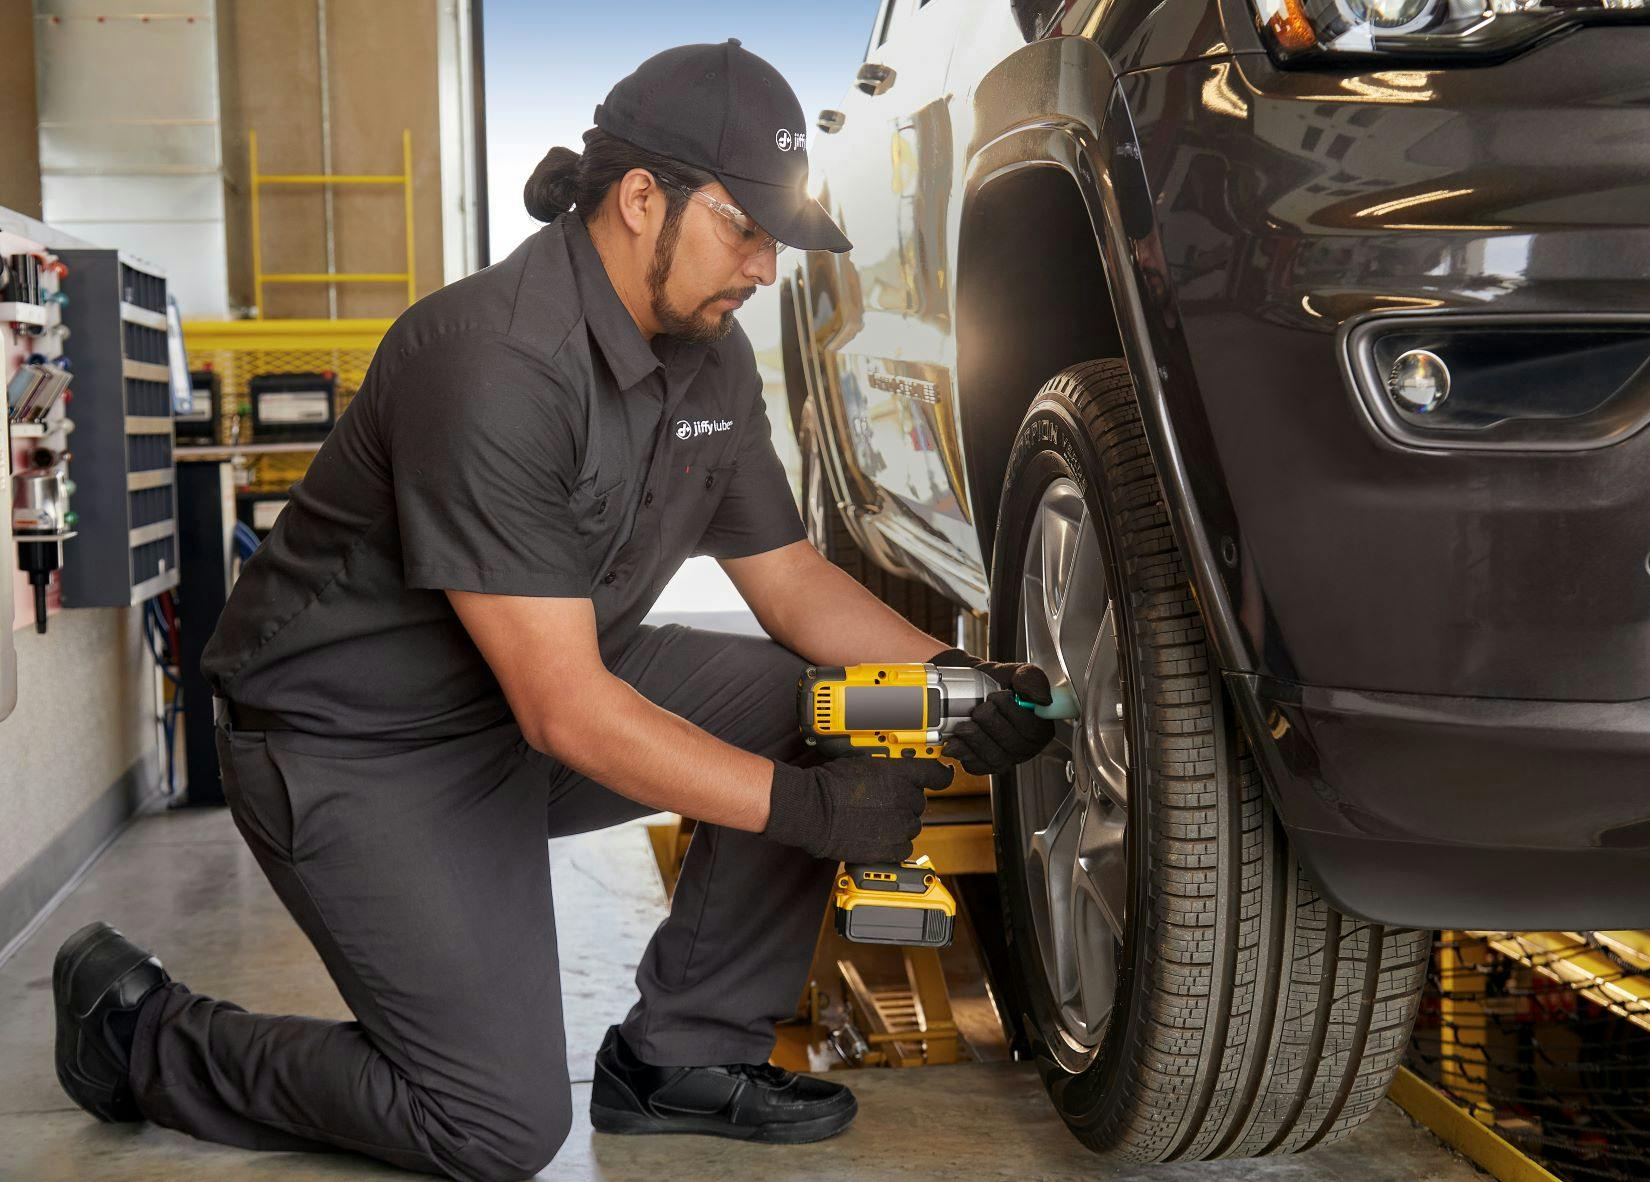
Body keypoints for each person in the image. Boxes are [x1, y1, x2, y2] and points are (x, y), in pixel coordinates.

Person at [49, 39, 1056, 1182]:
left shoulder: (708, 355)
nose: (766, 267)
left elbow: (789, 578)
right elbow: (569, 711)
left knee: (808, 703)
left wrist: (965, 678)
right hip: (357, 750)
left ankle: (681, 1057)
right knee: (494, 1126)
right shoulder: (491, 362)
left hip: (522, 713)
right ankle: (142, 1036)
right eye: (748, 230)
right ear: (641, 201)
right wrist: (811, 814)